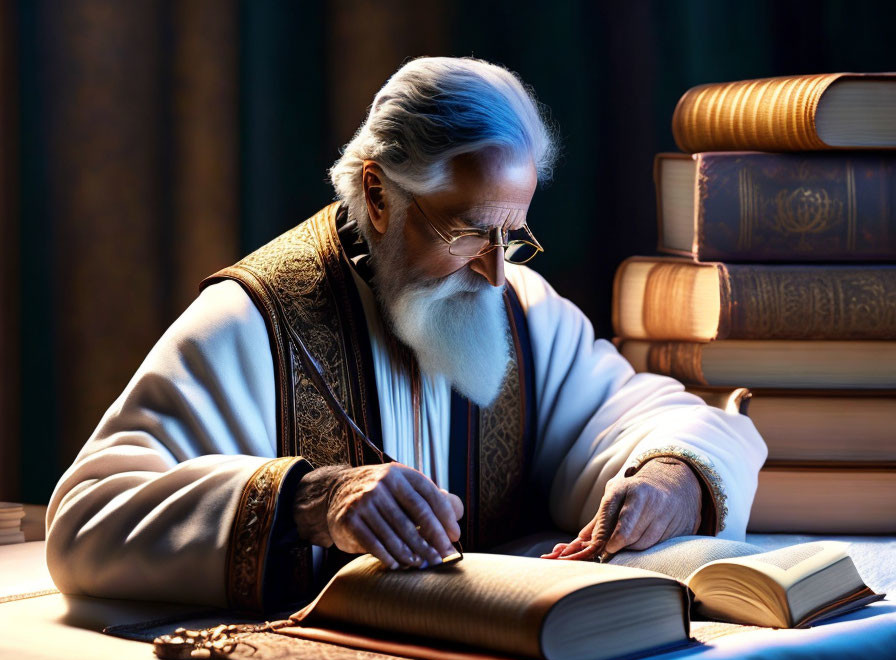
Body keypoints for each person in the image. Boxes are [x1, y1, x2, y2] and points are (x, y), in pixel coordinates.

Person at [45, 57, 767, 612]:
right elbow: (85, 521)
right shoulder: (252, 318)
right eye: (465, 231)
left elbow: (657, 417)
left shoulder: (520, 307)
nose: (492, 271)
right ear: (379, 194)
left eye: (511, 235)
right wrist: (310, 500)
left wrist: (669, 480)